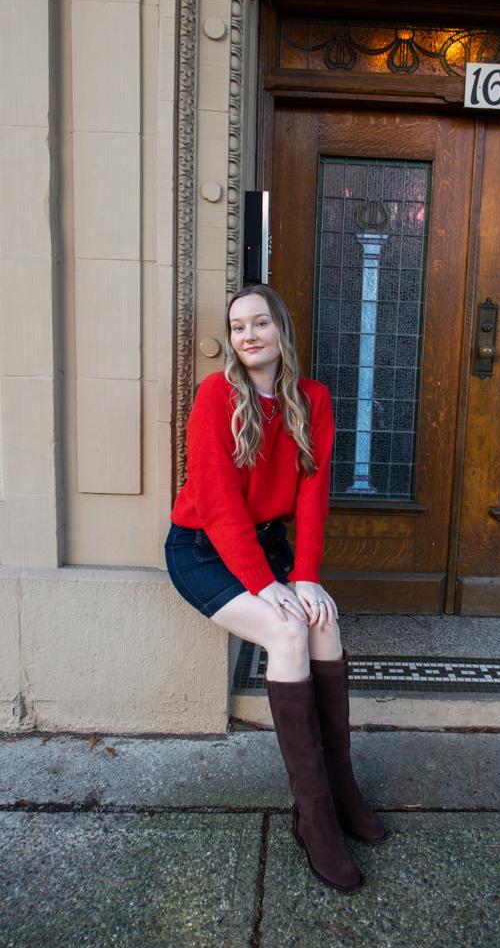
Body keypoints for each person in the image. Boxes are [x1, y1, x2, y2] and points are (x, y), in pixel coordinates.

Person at [164, 284, 386, 893]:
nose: (248, 335)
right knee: (287, 633)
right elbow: (216, 503)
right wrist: (264, 584)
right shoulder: (216, 396)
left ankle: (341, 789)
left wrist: (305, 574)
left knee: (322, 623)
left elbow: (313, 496)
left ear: (281, 329)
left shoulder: (312, 400)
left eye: (260, 322)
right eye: (238, 326)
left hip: (268, 546)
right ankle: (314, 820)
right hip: (203, 549)